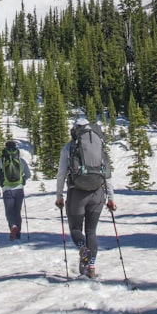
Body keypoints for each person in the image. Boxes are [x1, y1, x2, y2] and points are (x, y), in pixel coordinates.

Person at [55, 116, 116, 278]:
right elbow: (107, 174)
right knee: (91, 231)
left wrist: (59, 195)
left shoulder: (69, 147)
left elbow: (61, 174)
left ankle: (83, 248)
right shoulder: (99, 146)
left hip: (77, 193)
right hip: (97, 193)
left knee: (76, 229)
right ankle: (91, 267)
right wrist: (111, 198)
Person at [0, 140, 31, 241]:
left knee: (9, 212)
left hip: (7, 190)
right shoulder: (20, 160)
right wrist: (23, 179)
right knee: (17, 212)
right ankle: (18, 234)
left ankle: (13, 226)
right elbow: (28, 174)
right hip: (19, 189)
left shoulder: (1, 161)